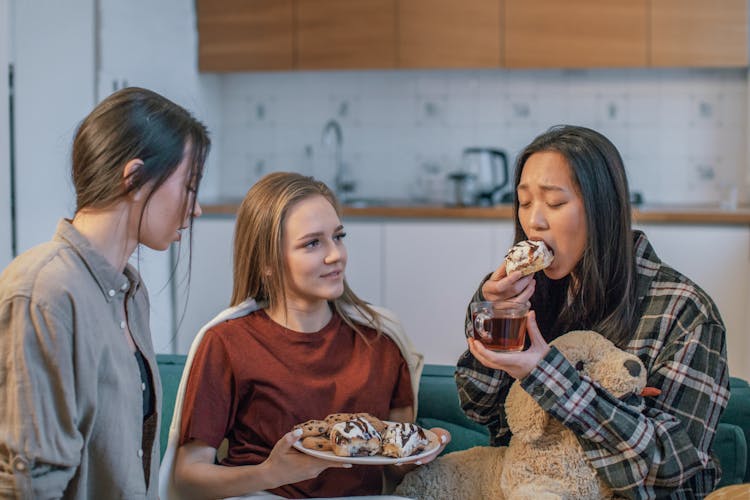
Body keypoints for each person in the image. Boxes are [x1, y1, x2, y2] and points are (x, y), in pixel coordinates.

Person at [455, 125, 729, 498]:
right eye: (524, 202)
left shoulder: (684, 311)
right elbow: (481, 410)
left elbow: (673, 463)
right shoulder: (524, 295)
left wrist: (545, 374)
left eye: (554, 203)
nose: (534, 221)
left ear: (603, 209)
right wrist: (493, 317)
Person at [159, 172, 449, 499]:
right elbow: (187, 477)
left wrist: (422, 450)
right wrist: (270, 473)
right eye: (312, 243)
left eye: (338, 236)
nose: (335, 254)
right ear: (267, 261)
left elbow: (393, 465)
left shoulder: (381, 340)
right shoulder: (227, 342)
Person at [0, 87, 210, 498]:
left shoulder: (131, 293)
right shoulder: (44, 292)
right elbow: (29, 486)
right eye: (190, 186)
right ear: (134, 178)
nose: (196, 207)